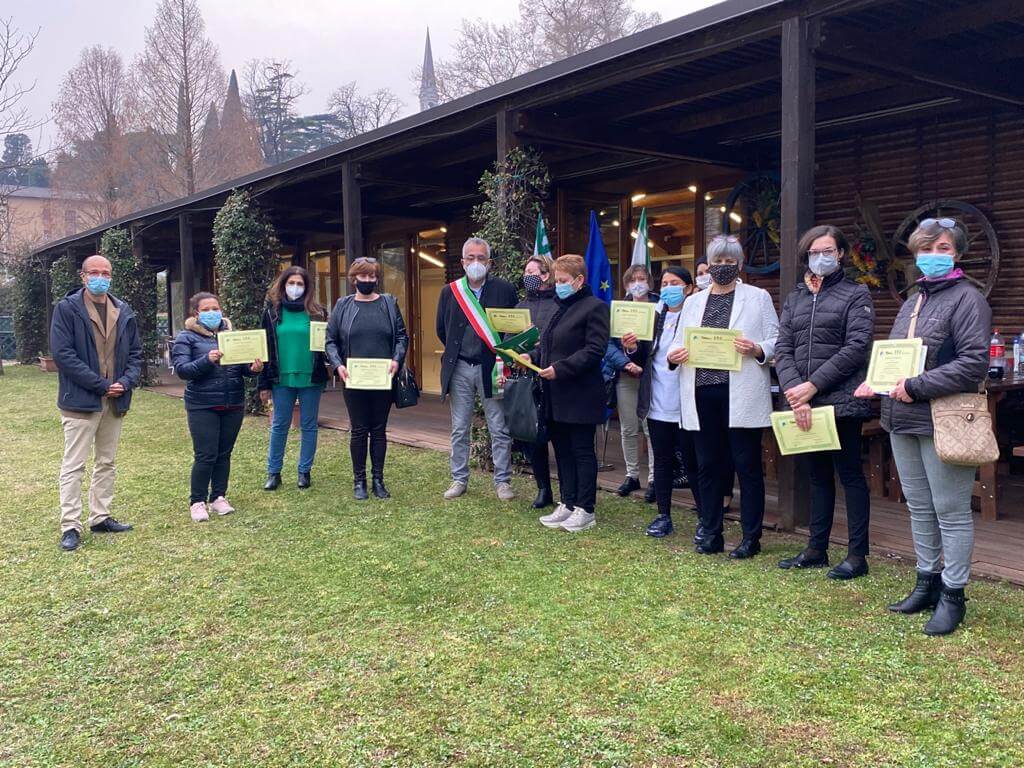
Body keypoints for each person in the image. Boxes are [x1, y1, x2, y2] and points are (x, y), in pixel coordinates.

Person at [856, 217, 990, 636]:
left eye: (943, 248)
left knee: (951, 511)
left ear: (958, 253)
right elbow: (898, 355)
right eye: (926, 249)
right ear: (915, 254)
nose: (933, 256)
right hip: (901, 418)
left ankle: (954, 594)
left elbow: (973, 364)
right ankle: (926, 582)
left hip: (943, 420)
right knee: (919, 507)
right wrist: (876, 381)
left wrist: (915, 386)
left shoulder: (969, 299)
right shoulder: (912, 300)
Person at [669, 234, 779, 558]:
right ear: (709, 264)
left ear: (739, 264)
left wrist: (757, 348)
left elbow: (776, 341)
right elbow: (678, 341)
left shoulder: (758, 298)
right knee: (707, 465)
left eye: (730, 261)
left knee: (746, 466)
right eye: (717, 261)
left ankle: (750, 537)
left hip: (740, 392)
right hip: (702, 392)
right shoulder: (693, 302)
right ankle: (711, 531)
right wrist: (675, 355)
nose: (723, 266)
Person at [775, 225, 875, 579]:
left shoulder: (856, 294)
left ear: (841, 253)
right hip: (803, 403)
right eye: (814, 252)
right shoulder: (796, 297)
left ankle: (857, 555)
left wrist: (813, 386)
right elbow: (783, 347)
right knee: (817, 476)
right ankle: (816, 548)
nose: (821, 257)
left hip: (841, 400)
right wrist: (796, 391)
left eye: (828, 251)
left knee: (850, 475)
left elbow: (856, 347)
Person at [51, 254, 143, 551]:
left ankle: (100, 517)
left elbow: (136, 355)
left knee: (106, 461)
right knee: (74, 465)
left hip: (115, 400)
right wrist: (101, 385)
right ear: (83, 276)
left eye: (105, 272)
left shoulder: (123, 310)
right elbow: (63, 355)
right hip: (81, 400)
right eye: (94, 272)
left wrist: (125, 382)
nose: (100, 277)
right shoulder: (67, 309)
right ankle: (70, 525)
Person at [436, 237, 518, 501]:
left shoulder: (505, 290)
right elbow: (442, 330)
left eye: (481, 258)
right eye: (470, 257)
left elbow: (514, 326)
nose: (476, 262)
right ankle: (459, 479)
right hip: (460, 367)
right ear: (462, 262)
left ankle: (503, 481)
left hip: (492, 367)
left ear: (489, 262)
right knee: (460, 427)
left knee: (498, 427)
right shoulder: (450, 292)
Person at [621, 266, 701, 538]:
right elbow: (643, 355)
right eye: (664, 283)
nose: (668, 288)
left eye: (674, 283)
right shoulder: (655, 315)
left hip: (688, 402)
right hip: (658, 401)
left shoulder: (697, 314)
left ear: (688, 288)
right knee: (663, 460)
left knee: (692, 462)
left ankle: (705, 517)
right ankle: (663, 515)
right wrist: (632, 347)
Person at [171, 292, 263, 522]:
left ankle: (218, 497)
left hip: (232, 402)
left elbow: (242, 368)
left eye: (216, 308)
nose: (212, 313)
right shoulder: (186, 338)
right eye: (206, 309)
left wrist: (253, 369)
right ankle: (197, 501)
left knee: (224, 453)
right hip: (202, 404)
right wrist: (207, 360)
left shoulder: (231, 335)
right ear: (196, 313)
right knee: (206, 454)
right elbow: (182, 370)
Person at [534, 254, 610, 532]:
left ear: (579, 280)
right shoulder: (559, 307)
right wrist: (529, 357)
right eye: (556, 280)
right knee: (563, 451)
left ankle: (585, 508)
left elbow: (594, 350)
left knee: (581, 451)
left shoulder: (595, 307)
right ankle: (567, 502)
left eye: (563, 280)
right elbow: (548, 346)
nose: (559, 285)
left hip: (580, 394)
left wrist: (560, 369)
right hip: (555, 394)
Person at [325, 257, 409, 500]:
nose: (368, 280)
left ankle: (378, 480)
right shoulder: (343, 305)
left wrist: (397, 359)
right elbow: (330, 340)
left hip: (383, 378)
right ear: (354, 279)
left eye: (372, 276)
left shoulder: (389, 303)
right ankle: (359, 480)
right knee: (359, 430)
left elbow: (401, 336)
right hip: (353, 378)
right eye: (363, 276)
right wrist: (338, 365)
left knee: (379, 429)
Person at [258, 266, 329, 491]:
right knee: (279, 425)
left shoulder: (318, 313)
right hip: (281, 377)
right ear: (283, 285)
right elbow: (264, 348)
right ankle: (274, 472)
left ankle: (304, 472)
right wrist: (263, 383)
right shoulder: (271, 313)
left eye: (300, 284)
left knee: (309, 425)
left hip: (311, 377)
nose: (295, 287)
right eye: (291, 283)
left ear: (307, 288)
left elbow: (328, 344)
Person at [610, 264, 658, 503]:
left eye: (642, 278)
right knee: (628, 428)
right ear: (627, 284)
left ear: (649, 281)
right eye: (633, 280)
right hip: (627, 375)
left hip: (654, 377)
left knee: (651, 428)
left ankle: (654, 478)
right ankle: (632, 475)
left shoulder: (661, 307)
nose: (638, 283)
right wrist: (626, 363)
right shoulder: (619, 310)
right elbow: (609, 345)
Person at [515, 253, 558, 509]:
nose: (527, 277)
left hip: (554, 377)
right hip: (528, 379)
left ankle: (569, 489)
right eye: (526, 273)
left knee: (559, 437)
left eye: (532, 272)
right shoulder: (521, 306)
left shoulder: (558, 304)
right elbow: (509, 337)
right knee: (534, 437)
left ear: (546, 275)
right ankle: (543, 488)